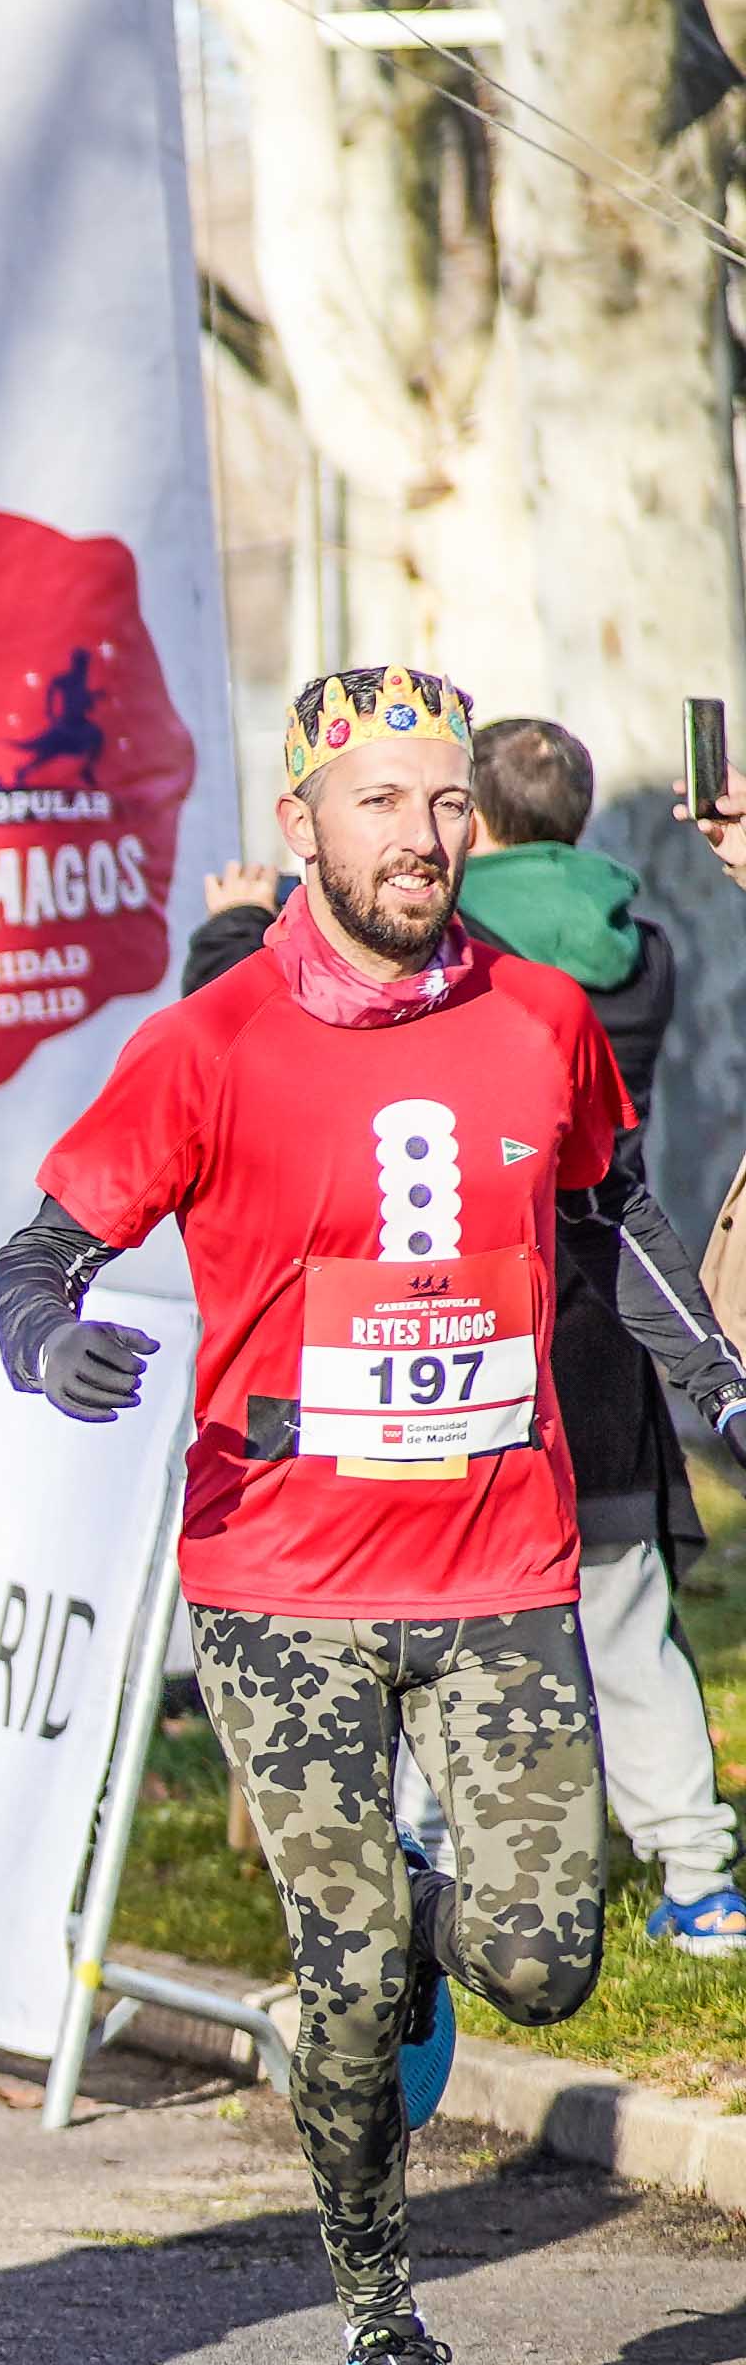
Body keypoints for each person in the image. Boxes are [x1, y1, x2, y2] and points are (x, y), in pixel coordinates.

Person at [0, 666, 746, 2365]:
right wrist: (51, 1346)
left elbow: (612, 1225)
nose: (423, 840)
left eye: (443, 807)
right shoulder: (208, 1045)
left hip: (497, 1561)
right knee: (339, 1984)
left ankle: (422, 1929)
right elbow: (41, 1258)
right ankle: (385, 2329)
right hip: (283, 1583)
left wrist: (713, 1373)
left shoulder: (546, 1019)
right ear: (302, 828)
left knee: (547, 1959)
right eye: (381, 807)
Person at [454, 716, 742, 1965]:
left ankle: (437, 1865)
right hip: (612, 1326)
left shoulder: (461, 953)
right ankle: (700, 1874)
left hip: (479, 1324)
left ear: (475, 818)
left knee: (444, 1621)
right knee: (627, 1620)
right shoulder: (653, 951)